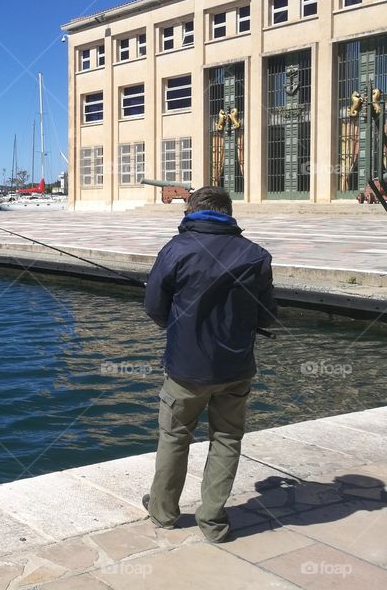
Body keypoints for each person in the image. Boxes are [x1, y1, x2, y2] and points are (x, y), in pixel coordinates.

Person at [142, 185, 277, 543]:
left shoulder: (176, 250)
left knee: (174, 437)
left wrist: (179, 327)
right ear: (229, 213)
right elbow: (267, 316)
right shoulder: (256, 255)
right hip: (236, 369)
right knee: (227, 438)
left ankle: (164, 511)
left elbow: (154, 306)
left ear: (192, 210)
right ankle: (213, 522)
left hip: (186, 369)